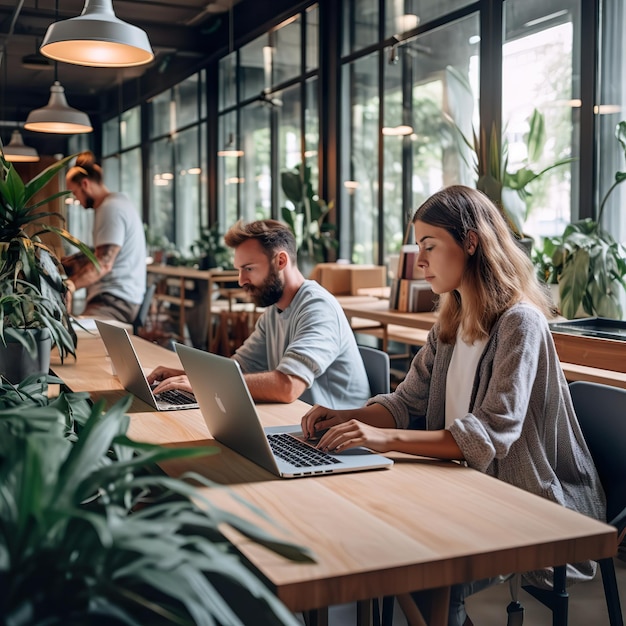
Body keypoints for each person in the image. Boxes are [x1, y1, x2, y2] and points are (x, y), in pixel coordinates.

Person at [300, 185, 606, 626]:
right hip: (462, 484)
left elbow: (491, 433)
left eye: (429, 246)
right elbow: (407, 401)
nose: (419, 261)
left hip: (528, 496)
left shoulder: (520, 323)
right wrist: (349, 416)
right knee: (366, 530)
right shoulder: (452, 319)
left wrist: (383, 438)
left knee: (422, 562)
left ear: (471, 242)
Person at [148, 219, 371, 408]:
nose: (241, 280)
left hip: (338, 434)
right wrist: (187, 375)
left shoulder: (318, 308)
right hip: (298, 421)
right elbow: (238, 368)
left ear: (281, 261)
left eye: (249, 268)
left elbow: (288, 387)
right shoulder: (274, 312)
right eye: (239, 269)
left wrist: (206, 384)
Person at [62, 151, 147, 324]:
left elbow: (104, 263)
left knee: (77, 336)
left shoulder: (111, 209)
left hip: (116, 301)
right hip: (113, 297)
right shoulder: (114, 204)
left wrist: (71, 285)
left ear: (85, 184)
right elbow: (101, 254)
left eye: (74, 192)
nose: (76, 199)